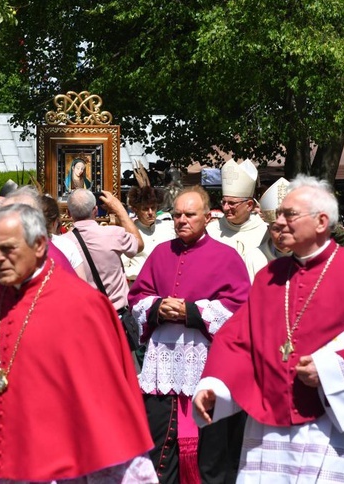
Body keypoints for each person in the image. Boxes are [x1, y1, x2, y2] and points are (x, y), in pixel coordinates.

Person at [193, 175, 344, 482]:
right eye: (276, 216)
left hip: (340, 429)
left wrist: (330, 370)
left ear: (322, 221)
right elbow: (238, 338)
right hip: (274, 428)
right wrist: (216, 385)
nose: (277, 223)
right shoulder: (269, 277)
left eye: (289, 215)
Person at [0, 204, 156, 482]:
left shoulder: (83, 305)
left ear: (40, 244)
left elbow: (105, 400)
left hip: (64, 458)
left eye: (7, 248)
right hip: (0, 455)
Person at [128, 186, 251, 484]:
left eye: (189, 214)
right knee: (159, 449)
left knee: (211, 456)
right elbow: (137, 297)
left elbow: (239, 307)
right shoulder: (160, 253)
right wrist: (158, 306)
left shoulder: (226, 256)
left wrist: (192, 312)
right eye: (176, 215)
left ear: (207, 217)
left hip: (207, 369)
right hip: (163, 370)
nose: (181, 220)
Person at [63, 188, 143, 313]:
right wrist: (119, 209)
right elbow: (138, 244)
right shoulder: (114, 234)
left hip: (85, 316)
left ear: (68, 213)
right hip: (116, 315)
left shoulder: (62, 244)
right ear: (95, 210)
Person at [206, 159, 268, 281]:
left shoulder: (265, 232)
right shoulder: (211, 230)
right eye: (223, 202)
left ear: (249, 205)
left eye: (232, 203)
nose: (225, 207)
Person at [122, 185, 176, 282]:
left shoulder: (170, 227)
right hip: (140, 285)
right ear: (135, 210)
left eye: (153, 208)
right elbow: (123, 267)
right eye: (145, 209)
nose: (150, 212)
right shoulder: (129, 232)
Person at [258, 177, 292, 261]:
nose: (282, 235)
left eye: (288, 228)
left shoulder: (312, 258)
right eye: (276, 229)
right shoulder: (255, 259)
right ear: (269, 230)